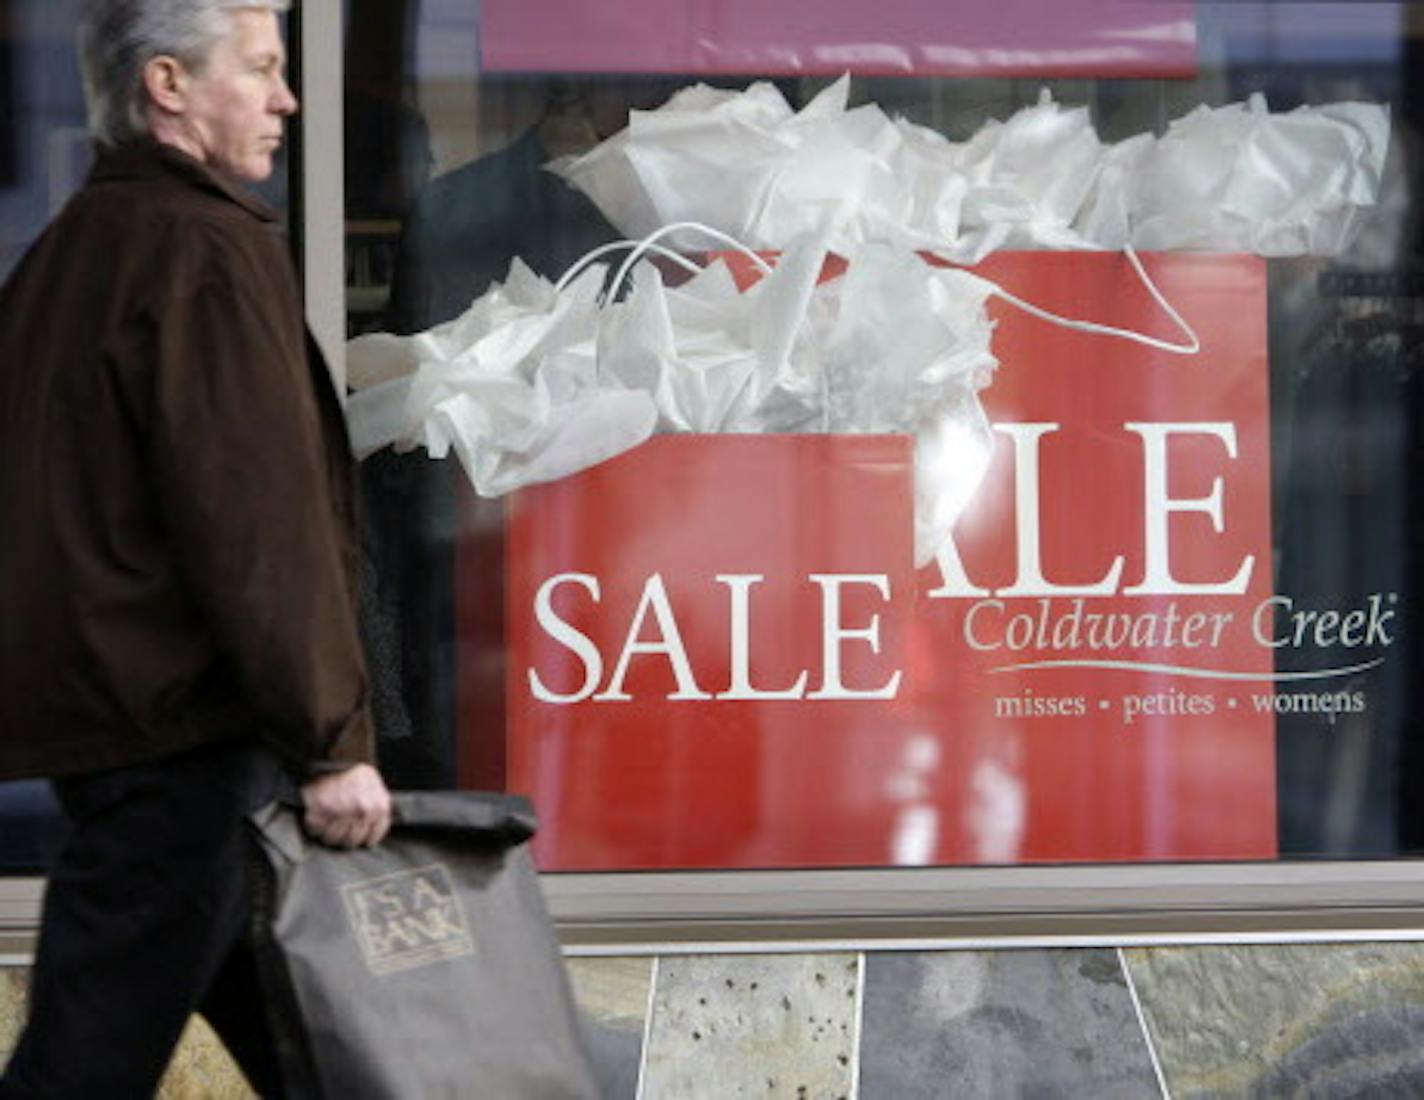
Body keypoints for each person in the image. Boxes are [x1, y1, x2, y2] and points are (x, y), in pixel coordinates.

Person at [0, 1, 392, 1095]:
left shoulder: (69, 256)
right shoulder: (204, 254)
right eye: (261, 69)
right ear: (167, 86)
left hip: (130, 746)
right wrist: (331, 740)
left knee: (339, 1058)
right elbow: (257, 523)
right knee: (84, 1068)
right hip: (186, 756)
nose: (288, 99)